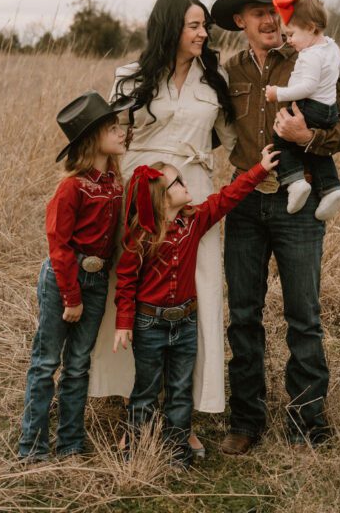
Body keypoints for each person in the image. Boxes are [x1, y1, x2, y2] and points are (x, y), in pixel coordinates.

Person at [210, 0, 340, 452]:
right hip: (245, 202)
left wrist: (309, 140)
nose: (273, 22)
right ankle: (246, 421)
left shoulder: (311, 57)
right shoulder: (228, 71)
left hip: (299, 203)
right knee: (242, 315)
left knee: (303, 315)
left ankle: (307, 422)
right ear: (241, 22)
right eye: (260, 14)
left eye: (277, 15)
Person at [88, 0, 236, 458]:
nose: (203, 34)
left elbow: (234, 139)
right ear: (171, 27)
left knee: (198, 296)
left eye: (205, 26)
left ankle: (183, 417)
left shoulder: (214, 81)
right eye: (194, 25)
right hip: (141, 197)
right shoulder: (130, 78)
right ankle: (136, 412)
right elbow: (111, 139)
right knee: (132, 300)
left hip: (192, 194)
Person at [113, 145, 278, 467]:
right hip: (150, 324)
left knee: (179, 390)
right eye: (177, 182)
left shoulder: (195, 222)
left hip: (185, 323)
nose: (185, 185)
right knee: (146, 390)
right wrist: (123, 323)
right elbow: (126, 281)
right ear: (161, 199)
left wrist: (258, 169)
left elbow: (228, 197)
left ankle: (177, 450)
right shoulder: (142, 238)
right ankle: (135, 449)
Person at [19, 91, 133, 462]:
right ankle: (33, 447)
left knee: (79, 362)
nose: (121, 133)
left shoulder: (115, 186)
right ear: (92, 137)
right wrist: (71, 296)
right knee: (47, 362)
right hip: (64, 280)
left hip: (97, 281)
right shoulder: (71, 187)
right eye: (113, 128)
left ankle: (70, 442)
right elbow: (59, 244)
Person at [265, 0, 340, 220]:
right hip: (329, 110)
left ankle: (295, 181)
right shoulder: (331, 47)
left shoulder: (310, 55)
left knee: (281, 136)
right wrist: (338, 85)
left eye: (292, 34)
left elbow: (307, 87)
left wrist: (278, 93)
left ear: (312, 28)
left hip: (312, 106)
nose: (289, 40)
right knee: (314, 148)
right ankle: (332, 188)